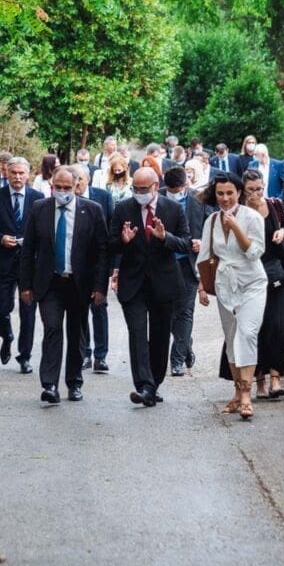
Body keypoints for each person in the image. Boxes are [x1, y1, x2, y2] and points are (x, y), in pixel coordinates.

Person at [19, 167, 109, 404]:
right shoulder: (40, 208)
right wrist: (25, 285)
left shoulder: (92, 210)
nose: (62, 191)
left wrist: (100, 287)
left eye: (67, 187)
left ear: (77, 185)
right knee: (52, 328)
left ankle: (74, 381)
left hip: (79, 283)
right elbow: (28, 249)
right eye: (57, 187)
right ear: (51, 185)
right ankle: (49, 384)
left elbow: (102, 251)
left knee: (76, 332)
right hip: (49, 283)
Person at [109, 167, 191, 407]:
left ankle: (153, 384)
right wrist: (123, 241)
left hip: (163, 283)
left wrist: (165, 238)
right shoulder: (123, 208)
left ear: (156, 186)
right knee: (137, 332)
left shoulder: (173, 209)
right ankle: (144, 385)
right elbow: (110, 243)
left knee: (160, 336)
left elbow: (185, 243)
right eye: (135, 188)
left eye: (143, 189)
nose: (139, 193)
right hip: (133, 283)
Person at [196, 172, 266, 421]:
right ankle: (237, 392)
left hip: (252, 283)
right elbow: (205, 256)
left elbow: (255, 253)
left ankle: (246, 394)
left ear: (239, 193)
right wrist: (202, 287)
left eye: (229, 193)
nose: (225, 198)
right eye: (220, 194)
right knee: (232, 338)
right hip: (225, 284)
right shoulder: (212, 220)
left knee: (247, 333)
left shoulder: (252, 217)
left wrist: (236, 228)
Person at [0, 157, 43, 373]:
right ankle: (6, 336)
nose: (17, 177)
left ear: (28, 174)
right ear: (6, 173)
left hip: (29, 263)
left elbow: (44, 229)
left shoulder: (38, 198)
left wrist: (31, 242)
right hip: (3, 261)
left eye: (21, 173)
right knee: (1, 309)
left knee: (28, 311)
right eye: (13, 173)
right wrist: (0, 238)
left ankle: (25, 356)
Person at [242, 170, 284, 401]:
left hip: (277, 274)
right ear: (243, 190)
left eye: (259, 188)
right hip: (251, 276)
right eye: (251, 189)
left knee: (279, 326)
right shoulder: (239, 213)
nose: (256, 193)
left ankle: (276, 378)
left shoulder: (274, 205)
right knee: (258, 328)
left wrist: (282, 232)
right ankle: (260, 380)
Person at [161, 167, 207, 377]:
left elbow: (210, 225)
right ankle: (186, 343)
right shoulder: (157, 198)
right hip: (164, 264)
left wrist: (202, 242)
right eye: (171, 190)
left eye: (178, 190)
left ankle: (177, 360)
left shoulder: (198, 200)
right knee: (169, 312)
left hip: (189, 264)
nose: (175, 194)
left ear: (185, 185)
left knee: (185, 311)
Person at [72, 164, 113, 372]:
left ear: (88, 179)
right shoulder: (66, 199)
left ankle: (101, 355)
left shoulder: (102, 197)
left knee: (99, 307)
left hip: (98, 263)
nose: (76, 183)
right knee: (80, 310)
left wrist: (114, 266)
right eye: (73, 178)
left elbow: (112, 229)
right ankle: (85, 352)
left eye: (80, 178)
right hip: (76, 266)